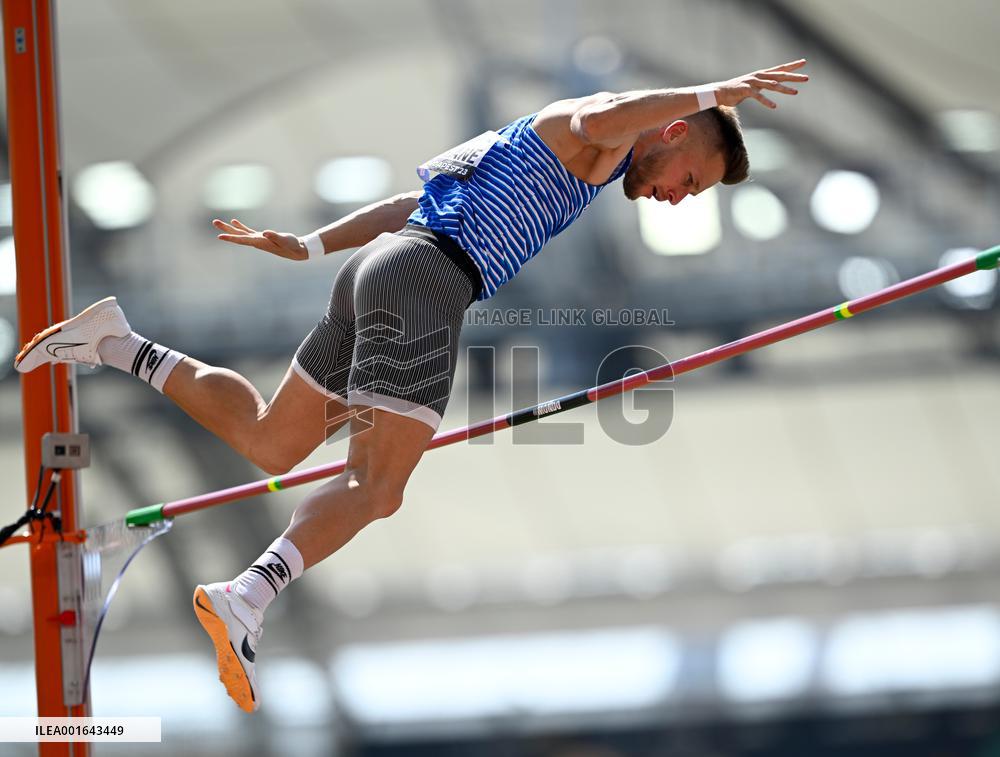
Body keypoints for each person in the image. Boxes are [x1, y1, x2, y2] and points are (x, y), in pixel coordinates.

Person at [14, 59, 808, 712]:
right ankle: (248, 594)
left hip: (384, 263)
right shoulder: (594, 132)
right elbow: (623, 108)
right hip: (429, 282)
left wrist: (311, 242)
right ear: (674, 131)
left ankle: (115, 343)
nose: (677, 197)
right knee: (378, 486)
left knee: (270, 439)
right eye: (691, 178)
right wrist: (715, 93)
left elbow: (414, 199)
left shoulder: (546, 148)